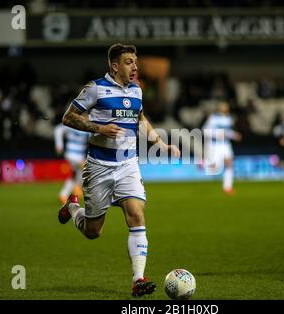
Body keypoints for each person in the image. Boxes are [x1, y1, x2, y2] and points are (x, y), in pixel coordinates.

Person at [58, 43, 180, 297]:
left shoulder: (136, 90)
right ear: (114, 66)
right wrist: (98, 128)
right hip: (99, 167)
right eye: (128, 62)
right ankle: (72, 205)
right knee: (94, 232)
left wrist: (160, 142)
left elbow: (140, 119)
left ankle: (138, 279)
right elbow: (68, 117)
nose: (135, 66)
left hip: (128, 165)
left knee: (136, 213)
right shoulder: (95, 89)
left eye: (135, 61)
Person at [202, 101, 242, 195]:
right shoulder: (213, 118)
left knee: (229, 164)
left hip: (225, 144)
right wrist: (216, 135)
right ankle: (203, 163)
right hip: (215, 145)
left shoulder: (229, 119)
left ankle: (227, 188)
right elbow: (205, 130)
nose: (225, 109)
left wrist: (234, 135)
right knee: (214, 168)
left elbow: (227, 132)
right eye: (223, 107)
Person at [54, 122, 89, 204]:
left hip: (80, 156)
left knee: (75, 175)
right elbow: (58, 130)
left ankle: (63, 194)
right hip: (71, 154)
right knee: (87, 168)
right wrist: (59, 145)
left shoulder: (89, 125)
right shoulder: (72, 122)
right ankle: (77, 188)